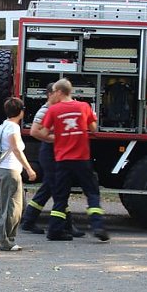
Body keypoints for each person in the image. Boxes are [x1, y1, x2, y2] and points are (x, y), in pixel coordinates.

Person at [35, 78, 109, 242]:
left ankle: (54, 231)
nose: (53, 95)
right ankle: (98, 226)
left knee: (61, 197)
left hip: (62, 159)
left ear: (60, 92)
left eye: (54, 92)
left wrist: (60, 135)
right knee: (91, 192)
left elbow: (45, 133)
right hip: (82, 158)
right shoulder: (84, 107)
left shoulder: (53, 111)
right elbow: (93, 129)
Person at [20, 83, 85, 238]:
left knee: (49, 188)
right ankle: (66, 226)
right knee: (58, 189)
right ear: (50, 94)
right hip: (49, 153)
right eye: (58, 93)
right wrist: (57, 138)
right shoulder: (45, 110)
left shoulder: (56, 109)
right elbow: (35, 132)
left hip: (56, 152)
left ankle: (28, 220)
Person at [0, 97, 36, 252]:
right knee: (12, 208)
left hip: (3, 171)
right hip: (9, 171)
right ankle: (5, 241)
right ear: (20, 112)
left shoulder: (3, 126)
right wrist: (29, 169)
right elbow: (16, 149)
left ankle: (4, 237)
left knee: (11, 206)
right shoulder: (13, 128)